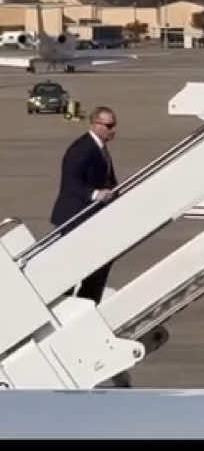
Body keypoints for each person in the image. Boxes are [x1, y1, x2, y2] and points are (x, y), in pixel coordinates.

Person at [50, 104, 119, 303]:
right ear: (95, 124)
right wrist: (96, 194)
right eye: (109, 125)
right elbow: (71, 183)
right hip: (74, 218)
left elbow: (107, 178)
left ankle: (87, 302)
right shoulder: (82, 149)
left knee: (98, 264)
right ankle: (69, 304)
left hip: (90, 218)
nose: (113, 130)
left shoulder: (99, 148)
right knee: (72, 269)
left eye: (114, 125)